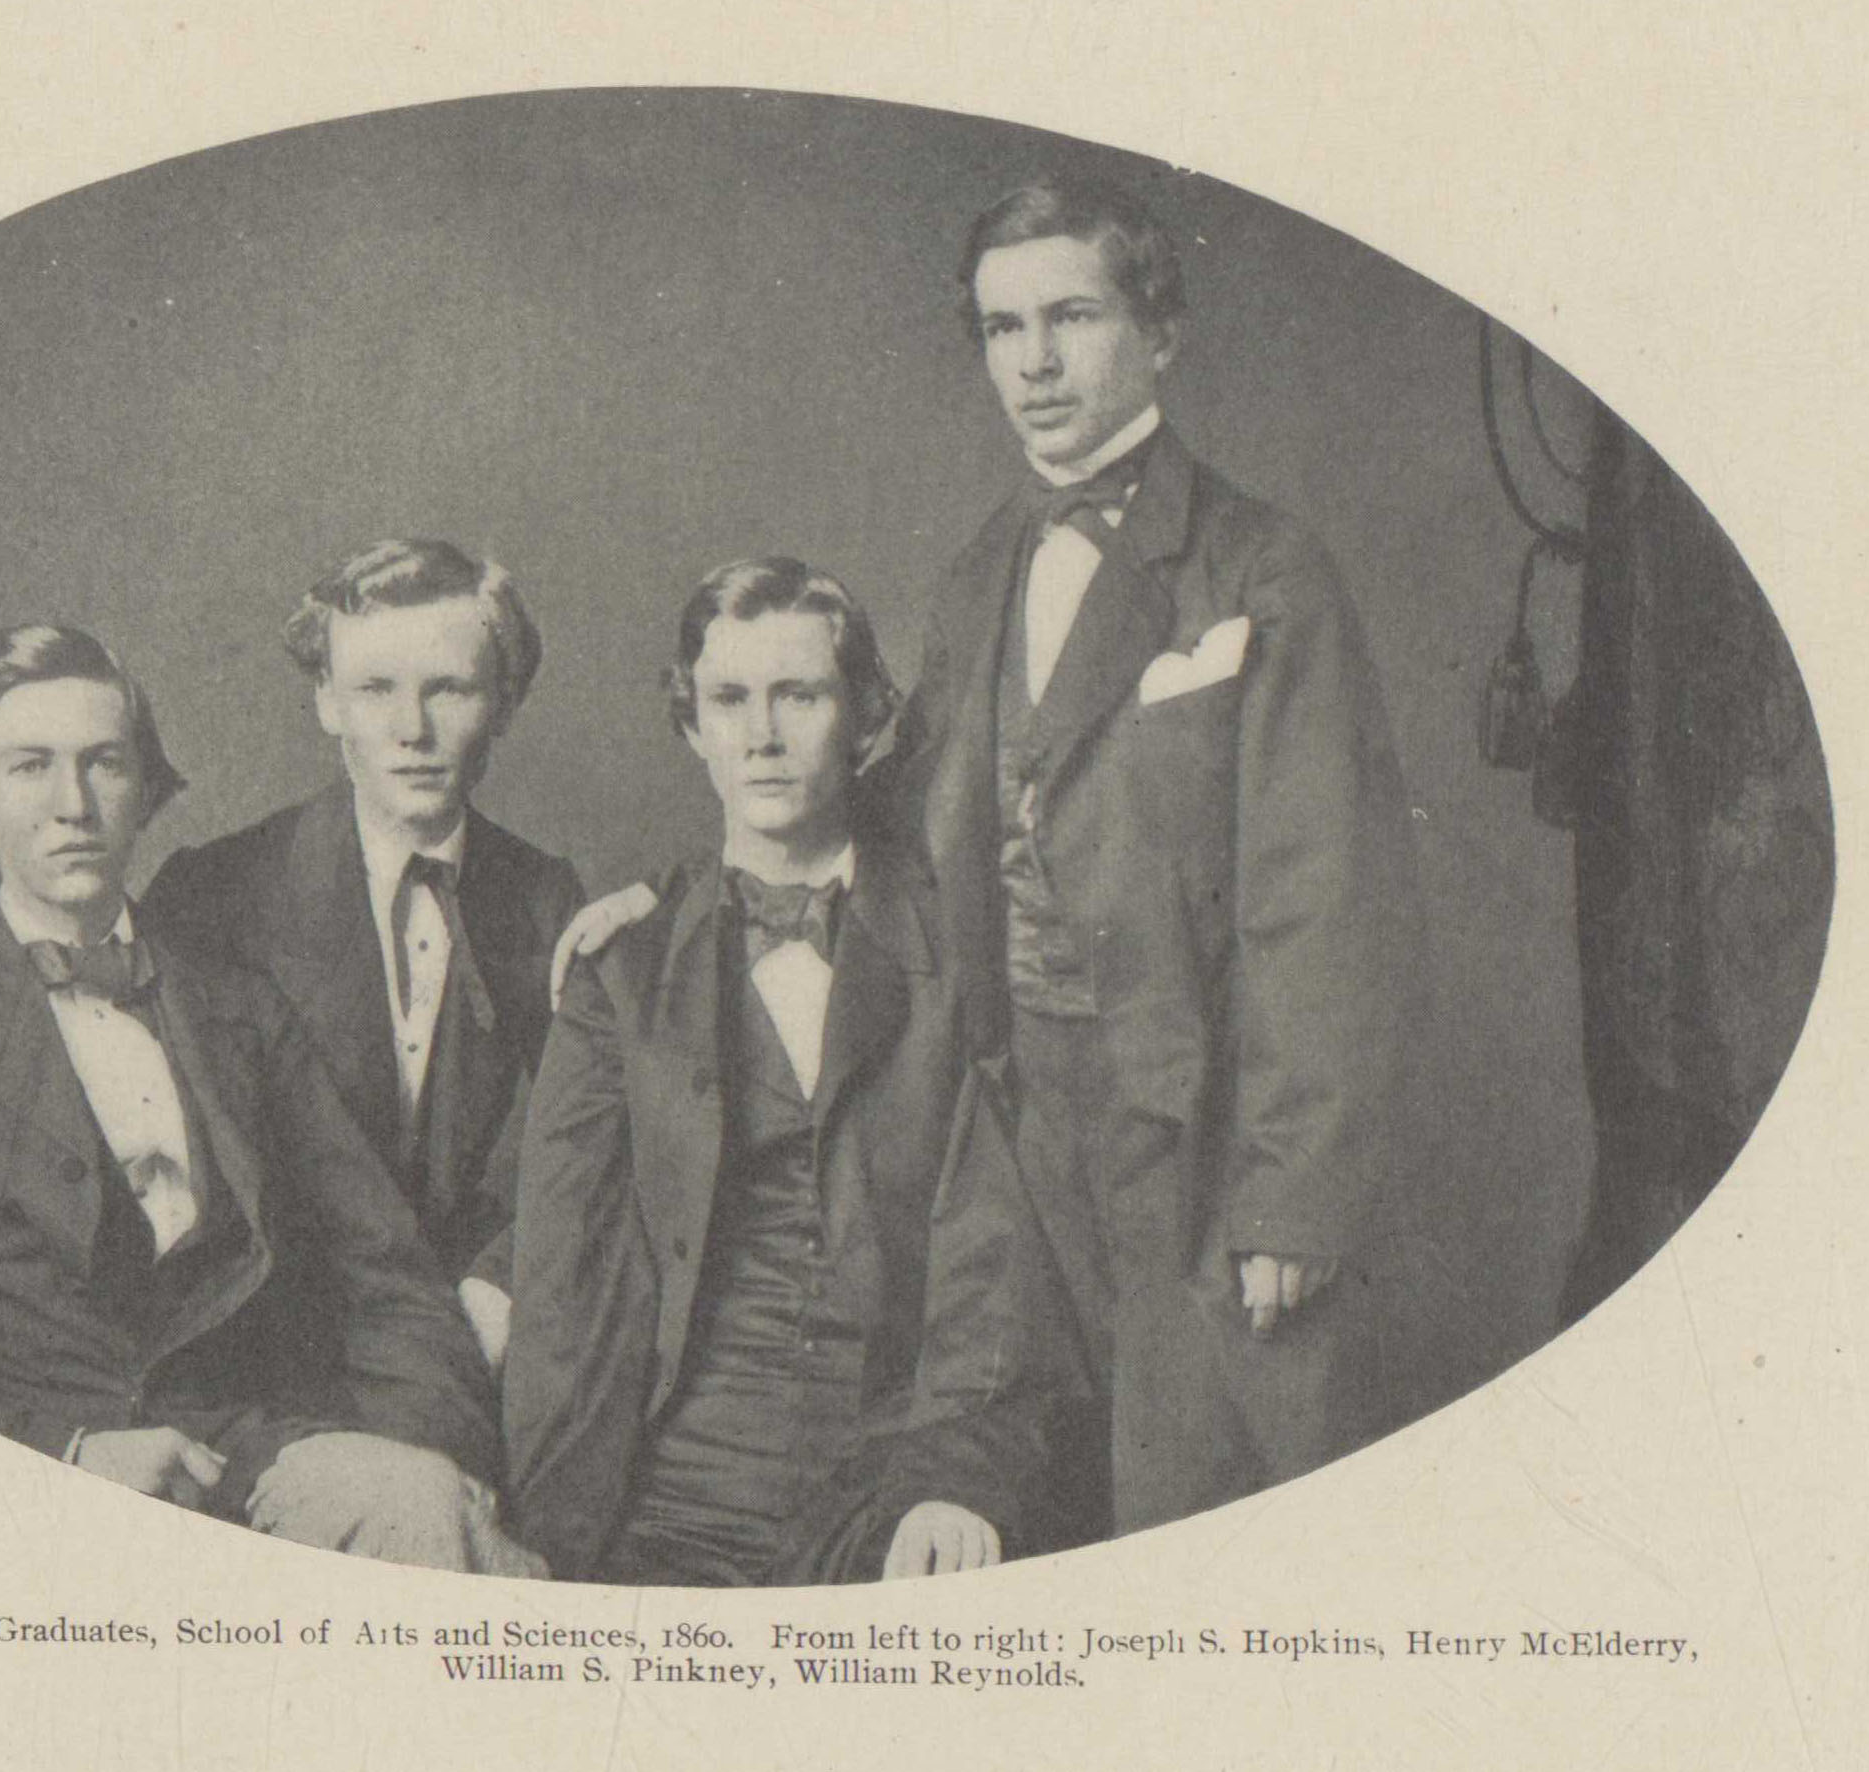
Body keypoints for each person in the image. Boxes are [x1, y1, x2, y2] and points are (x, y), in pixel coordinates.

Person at [558, 172, 1421, 1539]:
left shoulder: (1263, 571)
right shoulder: (984, 571)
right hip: (1005, 1132)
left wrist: (1294, 1195)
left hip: (1189, 1145)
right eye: (999, 326)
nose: (1032, 361)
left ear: (1161, 332)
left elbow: (1330, 904)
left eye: (1069, 316)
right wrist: (677, 901)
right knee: (1029, 1501)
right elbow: (876, 804)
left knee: (1203, 1521)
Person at [0, 623, 527, 1570]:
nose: (72, 804)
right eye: (31, 767)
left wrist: (429, 1449)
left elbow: (385, 1275)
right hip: (15, 1478)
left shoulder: (237, 1007)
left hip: (245, 1457)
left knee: (418, 1508)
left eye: (105, 764)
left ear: (147, 792)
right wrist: (60, 1455)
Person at [504, 559, 1080, 1585]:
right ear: (690, 725)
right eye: (728, 700)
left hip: (891, 1475)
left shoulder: (958, 949)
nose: (760, 736)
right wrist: (558, 1533)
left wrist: (958, 1474)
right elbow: (561, 1286)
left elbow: (997, 1256)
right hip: (669, 1490)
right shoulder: (623, 971)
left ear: (863, 717)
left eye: (798, 695)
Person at [144, 541, 582, 1376]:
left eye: (447, 688)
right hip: (269, 1354)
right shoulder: (212, 895)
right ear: (325, 702)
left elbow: (568, 1149)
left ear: (504, 703)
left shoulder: (544, 899)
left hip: (477, 1342)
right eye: (375, 689)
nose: (411, 730)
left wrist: (497, 1287)